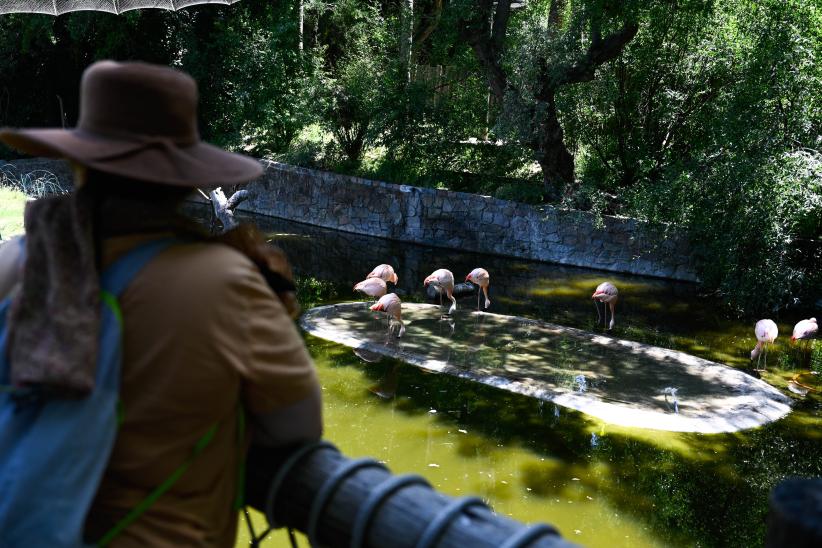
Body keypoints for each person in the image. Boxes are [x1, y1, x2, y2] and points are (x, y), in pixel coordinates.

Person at [0, 61, 322, 546]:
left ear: (82, 162)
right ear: (181, 178)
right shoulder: (226, 282)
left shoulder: (15, 262)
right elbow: (297, 427)